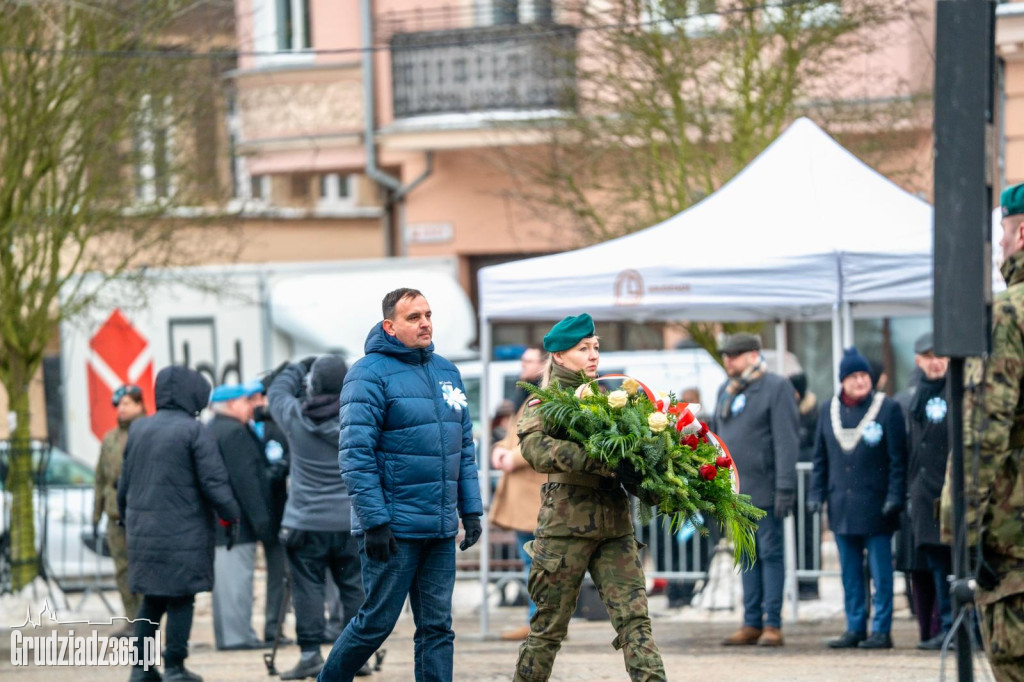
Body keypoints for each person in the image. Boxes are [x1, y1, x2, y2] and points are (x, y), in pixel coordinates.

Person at [318, 288, 483, 682]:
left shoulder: (447, 371)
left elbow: (463, 445)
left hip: (439, 527)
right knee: (375, 624)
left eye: (428, 314)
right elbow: (355, 453)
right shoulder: (366, 374)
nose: (425, 322)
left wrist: (470, 509)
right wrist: (374, 521)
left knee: (437, 629)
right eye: (414, 317)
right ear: (390, 327)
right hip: (394, 529)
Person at [513, 313, 666, 682]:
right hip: (565, 528)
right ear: (561, 357)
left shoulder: (611, 400)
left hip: (614, 526)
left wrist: (647, 476)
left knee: (635, 622)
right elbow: (536, 449)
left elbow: (638, 454)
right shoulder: (545, 402)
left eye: (596, 347)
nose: (593, 354)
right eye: (583, 349)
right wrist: (604, 460)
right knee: (548, 629)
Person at [940, 182, 1024, 679]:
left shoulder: (1009, 313)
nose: (999, 247)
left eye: (1003, 233)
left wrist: (961, 536)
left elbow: (982, 435)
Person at [118, 366, 241, 682]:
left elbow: (124, 486)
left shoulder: (139, 430)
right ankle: (174, 666)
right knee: (181, 597)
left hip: (143, 531)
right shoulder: (194, 431)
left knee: (152, 599)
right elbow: (215, 482)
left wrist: (127, 520)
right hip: (184, 532)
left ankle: (142, 669)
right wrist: (231, 516)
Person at [267, 356, 370, 680]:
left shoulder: (296, 417)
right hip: (351, 521)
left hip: (305, 523)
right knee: (353, 587)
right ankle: (356, 657)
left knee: (307, 589)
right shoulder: (359, 420)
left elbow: (276, 392)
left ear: (312, 385)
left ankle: (311, 655)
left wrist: (298, 366)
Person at [811, 347, 907, 650]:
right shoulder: (828, 411)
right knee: (850, 576)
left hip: (878, 508)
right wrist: (816, 494)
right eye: (853, 376)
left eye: (864, 375)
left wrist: (895, 496)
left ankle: (882, 630)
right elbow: (820, 460)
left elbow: (897, 460)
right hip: (842, 508)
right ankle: (855, 627)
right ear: (842, 381)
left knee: (882, 576)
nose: (860, 381)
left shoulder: (888, 409)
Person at [711, 332, 799, 647]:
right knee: (747, 557)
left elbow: (787, 441)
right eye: (726, 355)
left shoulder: (776, 387)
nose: (728, 361)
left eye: (733, 355)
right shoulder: (727, 390)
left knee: (771, 554)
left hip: (767, 488)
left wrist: (786, 487)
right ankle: (751, 622)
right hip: (737, 490)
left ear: (753, 355)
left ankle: (772, 624)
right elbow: (717, 440)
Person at [208, 380, 277, 652]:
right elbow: (247, 481)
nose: (253, 407)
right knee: (235, 583)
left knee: (228, 585)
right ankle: (237, 637)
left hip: (223, 523)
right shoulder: (233, 432)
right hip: (236, 525)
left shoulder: (217, 429)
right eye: (248, 401)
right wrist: (263, 523)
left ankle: (233, 635)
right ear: (232, 404)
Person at [489, 346, 548, 642]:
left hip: (535, 493)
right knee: (533, 562)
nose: (523, 366)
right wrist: (499, 451)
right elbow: (513, 436)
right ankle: (538, 621)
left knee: (537, 563)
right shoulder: (524, 397)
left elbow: (539, 439)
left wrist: (512, 456)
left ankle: (540, 623)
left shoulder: (545, 396)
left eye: (529, 361)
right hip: (523, 493)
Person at [903, 332, 952, 650]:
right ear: (919, 361)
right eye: (928, 357)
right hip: (924, 496)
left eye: (940, 356)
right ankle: (946, 626)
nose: (935, 363)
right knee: (936, 565)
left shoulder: (959, 391)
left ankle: (966, 627)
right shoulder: (914, 397)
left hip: (951, 492)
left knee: (958, 563)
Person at [92, 384, 146, 633]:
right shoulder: (110, 438)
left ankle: (147, 618)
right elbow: (100, 478)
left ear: (139, 405)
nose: (121, 409)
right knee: (122, 570)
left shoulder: (147, 432)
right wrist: (96, 514)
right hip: (114, 513)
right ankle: (132, 619)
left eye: (127, 403)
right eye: (119, 404)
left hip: (140, 511)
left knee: (143, 567)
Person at [789, 373, 821, 601]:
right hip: (791, 486)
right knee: (793, 537)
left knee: (809, 536)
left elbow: (815, 448)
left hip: (807, 485)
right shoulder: (787, 412)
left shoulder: (812, 413)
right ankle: (794, 582)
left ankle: (809, 584)